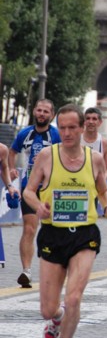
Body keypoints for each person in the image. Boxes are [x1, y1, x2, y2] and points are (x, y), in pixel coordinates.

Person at [23, 104, 107, 338]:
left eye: (71, 128)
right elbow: (29, 191)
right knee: (47, 309)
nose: (66, 133)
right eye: (62, 128)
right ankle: (56, 318)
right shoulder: (46, 156)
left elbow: (103, 190)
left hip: (84, 234)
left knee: (75, 297)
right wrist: (38, 206)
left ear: (82, 128)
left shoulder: (95, 160)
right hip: (53, 234)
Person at [9, 99, 61, 288]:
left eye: (46, 111)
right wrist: (12, 169)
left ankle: (55, 270)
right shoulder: (25, 133)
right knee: (29, 228)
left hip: (51, 189)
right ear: (34, 112)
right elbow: (12, 152)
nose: (41, 114)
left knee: (53, 230)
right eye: (39, 110)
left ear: (52, 115)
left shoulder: (56, 135)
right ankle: (27, 271)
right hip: (29, 188)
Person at [81, 107, 107, 180]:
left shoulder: (105, 143)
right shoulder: (77, 139)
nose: (91, 121)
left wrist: (102, 178)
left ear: (100, 122)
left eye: (94, 119)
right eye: (88, 118)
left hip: (96, 184)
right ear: (84, 122)